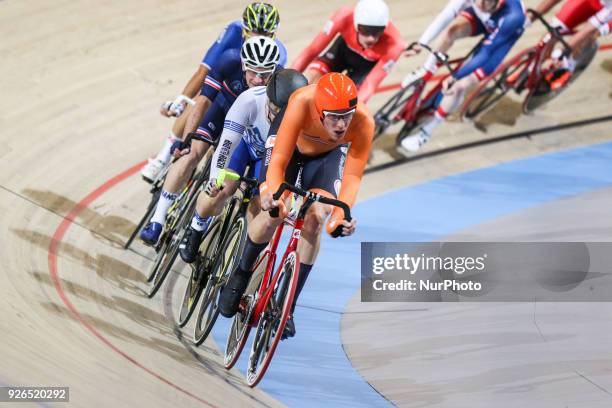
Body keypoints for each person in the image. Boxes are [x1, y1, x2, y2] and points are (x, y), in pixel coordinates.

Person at [218, 72, 374, 339]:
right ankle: (241, 273)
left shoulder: (363, 122)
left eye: (346, 115)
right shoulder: (301, 101)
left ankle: (287, 307)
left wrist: (341, 215)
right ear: (319, 110)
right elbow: (277, 157)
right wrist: (270, 191)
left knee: (316, 217)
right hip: (289, 150)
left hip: (325, 158)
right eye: (334, 116)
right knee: (275, 211)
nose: (341, 124)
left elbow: (351, 176)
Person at [140, 36, 281, 246]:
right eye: (253, 72)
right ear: (243, 65)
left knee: (233, 185)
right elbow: (203, 101)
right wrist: (188, 138)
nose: (259, 80)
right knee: (192, 154)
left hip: (246, 132)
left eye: (265, 74)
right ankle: (157, 221)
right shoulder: (229, 61)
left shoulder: (279, 81)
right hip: (221, 112)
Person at [141, 2, 286, 183]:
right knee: (201, 101)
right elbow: (204, 71)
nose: (259, 37)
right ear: (244, 29)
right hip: (224, 94)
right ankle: (163, 158)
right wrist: (182, 100)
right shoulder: (233, 32)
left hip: (244, 107)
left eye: (265, 34)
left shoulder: (277, 53)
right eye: (254, 32)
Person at [178, 69, 309, 263]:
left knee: (260, 207)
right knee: (222, 190)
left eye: (284, 113)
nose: (276, 119)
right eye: (273, 110)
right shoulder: (249, 101)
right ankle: (197, 226)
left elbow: (298, 164)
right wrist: (216, 178)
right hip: (243, 146)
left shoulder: (304, 119)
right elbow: (226, 146)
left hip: (268, 160)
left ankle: (237, 261)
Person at [398, 0, 526, 154]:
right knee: (450, 32)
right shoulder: (480, 4)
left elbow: (486, 52)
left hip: (501, 38)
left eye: (487, 2)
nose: (480, 3)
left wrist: (456, 76)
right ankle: (425, 70)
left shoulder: (514, 15)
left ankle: (426, 132)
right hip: (483, 21)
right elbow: (446, 15)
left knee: (459, 86)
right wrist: (421, 43)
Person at [291, 0, 405, 103]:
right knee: (313, 81)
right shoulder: (344, 15)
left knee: (346, 105)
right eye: (365, 30)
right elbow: (311, 51)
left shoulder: (396, 44)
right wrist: (288, 79)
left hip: (365, 67)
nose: (371, 38)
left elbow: (370, 84)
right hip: (343, 52)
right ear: (355, 24)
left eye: (378, 31)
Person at [530, 0, 611, 90]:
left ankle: (569, 63)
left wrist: (564, 51)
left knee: (591, 34)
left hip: (607, 10)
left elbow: (588, 30)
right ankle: (534, 63)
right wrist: (530, 18)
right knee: (555, 28)